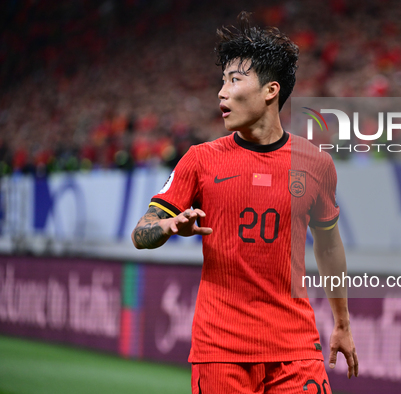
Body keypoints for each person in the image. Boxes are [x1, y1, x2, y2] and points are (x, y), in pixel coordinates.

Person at [131, 12, 358, 393]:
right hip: (221, 351)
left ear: (270, 91)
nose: (221, 92)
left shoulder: (317, 165)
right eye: (222, 81)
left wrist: (342, 323)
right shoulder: (200, 159)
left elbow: (330, 246)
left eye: (234, 80)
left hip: (297, 348)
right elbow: (141, 234)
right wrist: (166, 227)